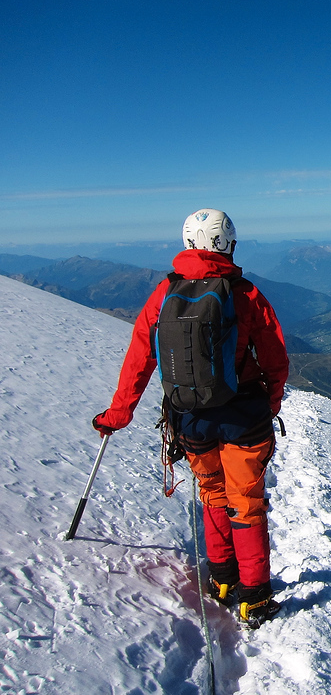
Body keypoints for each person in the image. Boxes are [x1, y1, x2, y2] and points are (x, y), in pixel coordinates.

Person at [93, 208, 290, 626]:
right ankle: (253, 595)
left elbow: (140, 360)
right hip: (242, 417)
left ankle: (222, 578)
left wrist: (117, 414)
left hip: (189, 418)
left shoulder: (164, 293)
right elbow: (275, 358)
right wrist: (269, 404)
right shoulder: (246, 294)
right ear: (227, 244)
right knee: (246, 502)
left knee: (214, 492)